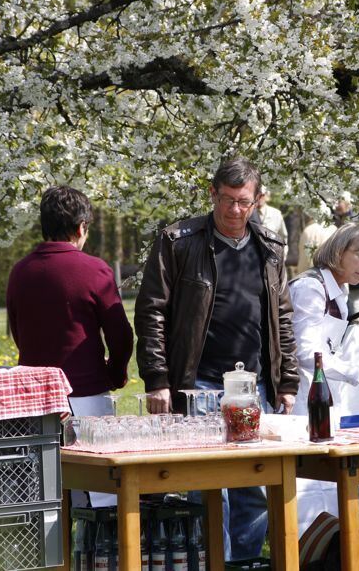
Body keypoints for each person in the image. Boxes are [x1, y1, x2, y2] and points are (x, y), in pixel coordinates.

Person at [134, 156, 298, 560]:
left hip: (253, 384)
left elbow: (283, 317)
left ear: (258, 201)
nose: (235, 210)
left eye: (244, 202)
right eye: (227, 200)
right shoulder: (178, 240)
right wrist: (157, 378)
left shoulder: (270, 248)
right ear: (212, 194)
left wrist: (289, 382)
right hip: (198, 383)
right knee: (208, 490)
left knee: (254, 489)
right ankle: (214, 563)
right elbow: (151, 309)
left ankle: (243, 562)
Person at [7, 186, 134, 507]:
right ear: (81, 227)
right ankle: (97, 557)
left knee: (47, 496)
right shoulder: (94, 270)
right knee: (101, 497)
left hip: (33, 399)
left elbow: (18, 332)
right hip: (86, 394)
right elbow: (120, 334)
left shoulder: (20, 272)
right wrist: (115, 373)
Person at [289, 222, 359, 532]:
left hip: (328, 396)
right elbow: (307, 352)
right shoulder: (310, 287)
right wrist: (355, 373)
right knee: (308, 485)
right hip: (304, 396)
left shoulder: (340, 290)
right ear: (338, 252)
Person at [254, 185, 288, 258]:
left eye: (262, 195)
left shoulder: (276, 214)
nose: (259, 198)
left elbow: (283, 237)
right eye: (256, 195)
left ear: (267, 196)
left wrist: (282, 257)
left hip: (272, 259)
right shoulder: (247, 213)